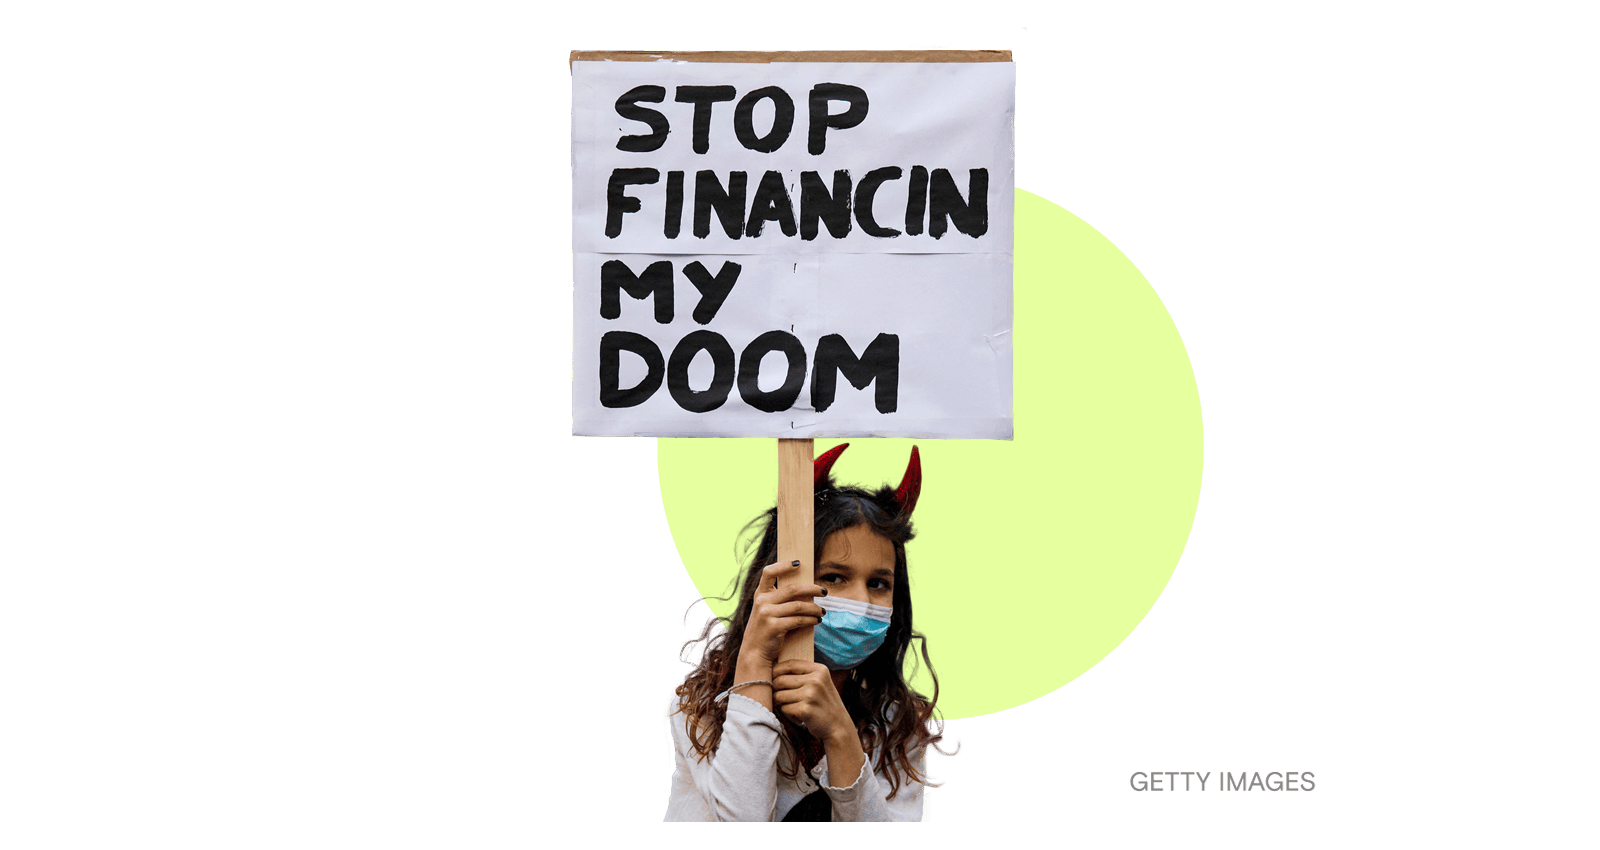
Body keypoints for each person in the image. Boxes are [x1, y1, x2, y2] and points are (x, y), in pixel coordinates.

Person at [664, 443, 957, 822]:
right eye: (834, 577)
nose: (861, 600)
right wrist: (754, 661)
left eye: (879, 583)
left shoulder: (898, 727)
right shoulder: (699, 710)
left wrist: (840, 735)